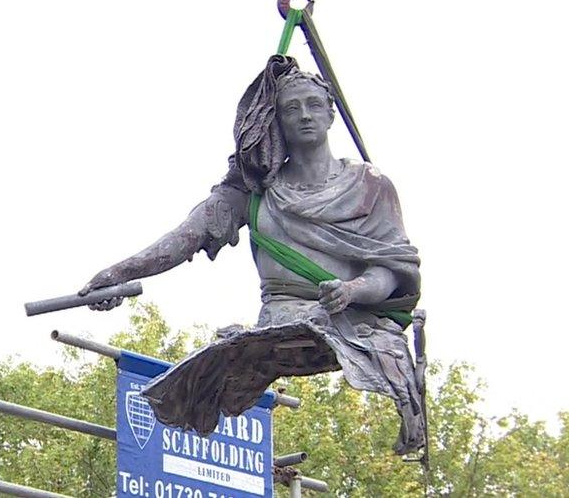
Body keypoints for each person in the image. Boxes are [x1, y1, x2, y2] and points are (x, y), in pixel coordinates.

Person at [79, 55, 425, 454]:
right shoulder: (253, 192)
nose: (305, 116)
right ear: (276, 121)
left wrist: (353, 290)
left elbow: (393, 268)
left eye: (314, 105)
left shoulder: (370, 185)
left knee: (386, 363)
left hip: (353, 324)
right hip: (281, 322)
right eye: (291, 108)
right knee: (189, 381)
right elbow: (184, 238)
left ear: (331, 114)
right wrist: (119, 274)